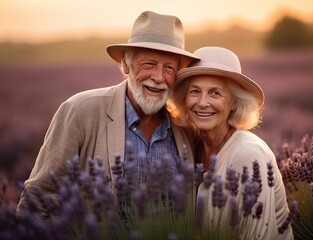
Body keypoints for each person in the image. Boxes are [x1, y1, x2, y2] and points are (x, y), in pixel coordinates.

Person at [17, 11, 199, 218]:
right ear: (125, 65)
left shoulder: (187, 129)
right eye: (149, 64)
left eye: (169, 68)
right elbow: (39, 197)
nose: (158, 77)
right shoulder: (80, 111)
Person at [169, 46, 294, 239]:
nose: (202, 103)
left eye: (215, 93)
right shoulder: (192, 147)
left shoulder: (248, 155)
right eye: (195, 91)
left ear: (234, 103)